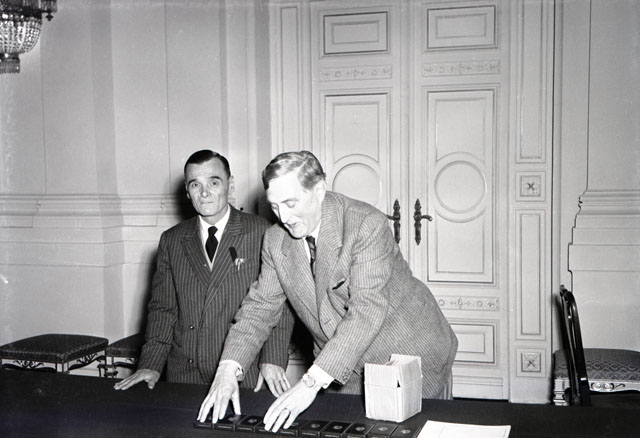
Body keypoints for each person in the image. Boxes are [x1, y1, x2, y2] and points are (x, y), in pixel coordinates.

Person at [198, 150, 458, 431]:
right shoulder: (275, 240)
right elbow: (259, 308)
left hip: (408, 354)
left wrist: (309, 383)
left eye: (290, 203)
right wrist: (227, 369)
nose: (283, 217)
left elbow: (366, 311)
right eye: (274, 206)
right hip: (341, 365)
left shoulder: (364, 224)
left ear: (319, 190)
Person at [114, 150, 293, 396]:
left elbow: (280, 307)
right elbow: (163, 310)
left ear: (230, 185)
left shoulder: (263, 233)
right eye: (195, 184)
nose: (204, 192)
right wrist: (150, 365)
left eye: (214, 182)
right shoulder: (172, 240)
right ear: (187, 192)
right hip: (184, 374)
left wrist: (272, 359)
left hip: (244, 372)